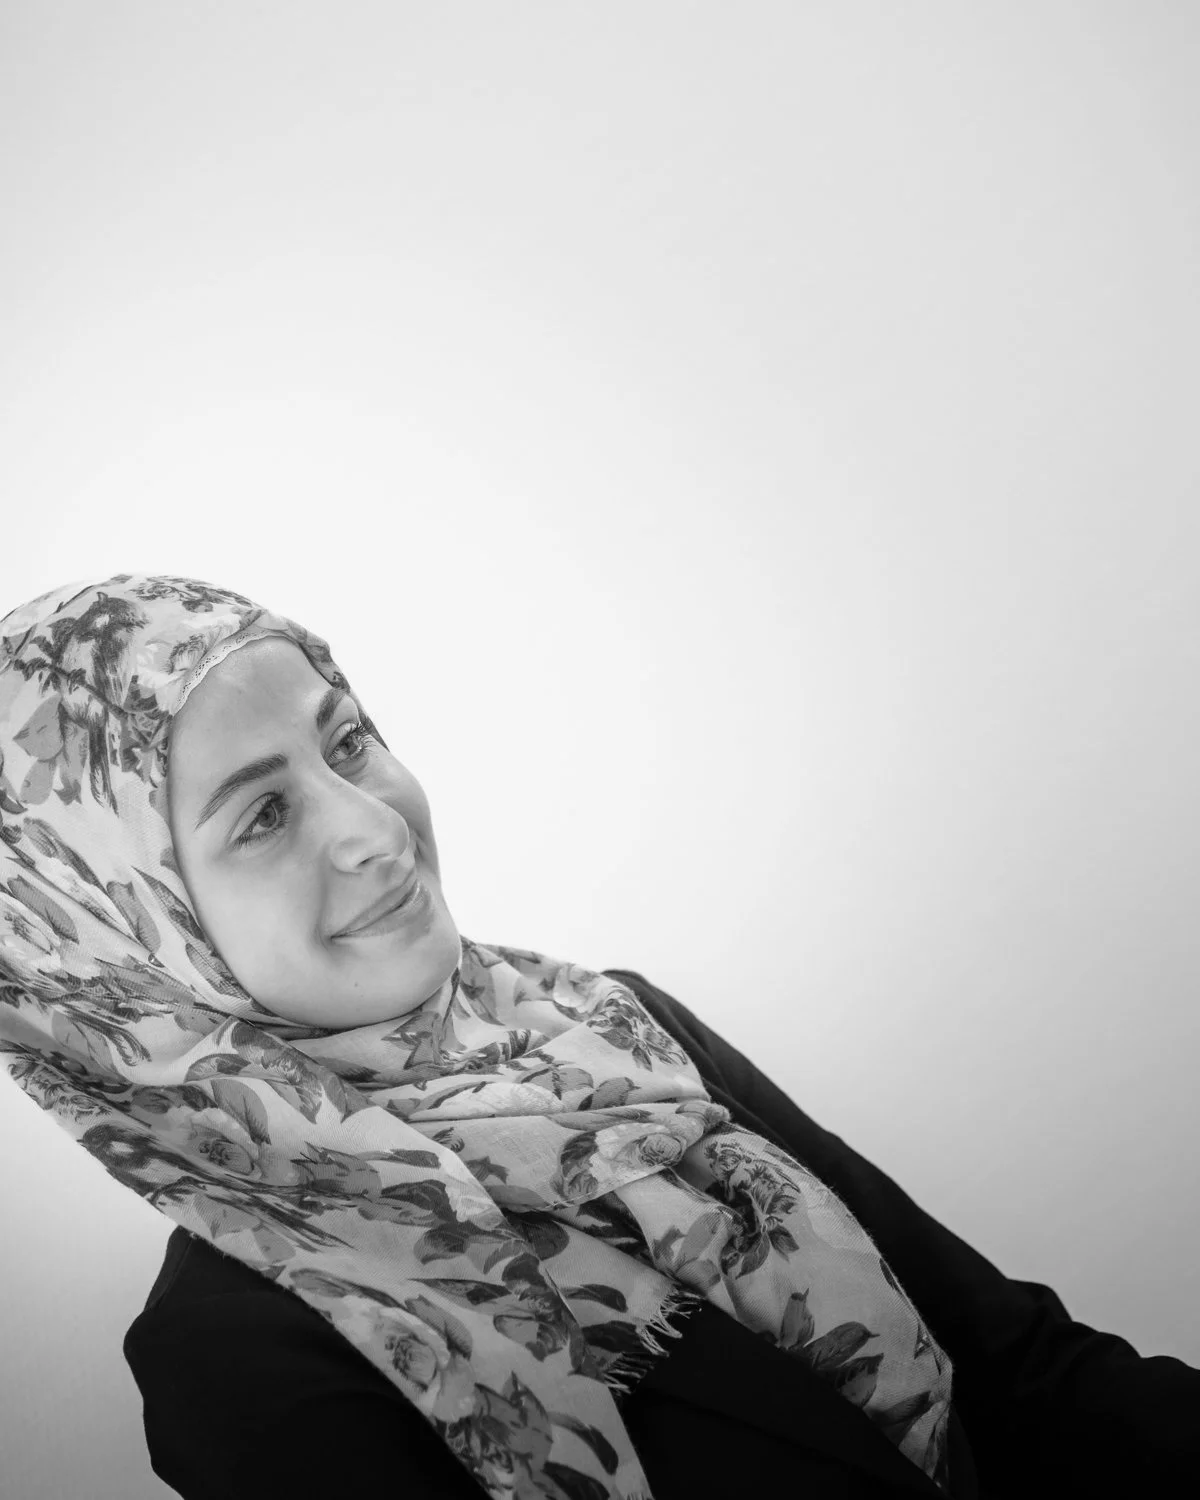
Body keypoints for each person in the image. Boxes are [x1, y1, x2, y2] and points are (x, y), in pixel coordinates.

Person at [0, 574, 1194, 1500]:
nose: (374, 828)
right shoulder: (242, 1357)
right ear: (117, 944)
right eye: (261, 813)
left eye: (349, 739)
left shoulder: (615, 1026)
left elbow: (1022, 1367)